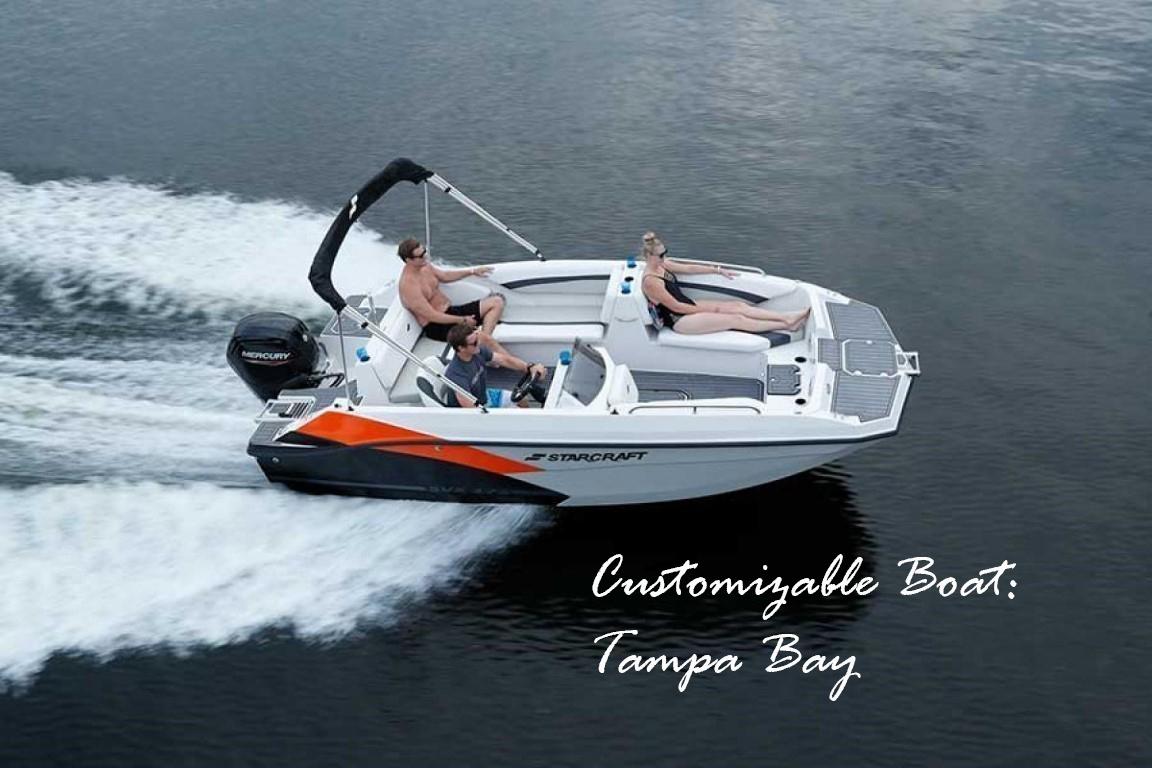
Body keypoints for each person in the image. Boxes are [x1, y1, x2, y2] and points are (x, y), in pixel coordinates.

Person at [639, 232, 810, 335]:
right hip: (678, 320)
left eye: (665, 253)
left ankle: (786, 317)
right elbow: (676, 307)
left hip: (688, 305)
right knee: (736, 319)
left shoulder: (662, 265)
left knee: (737, 306)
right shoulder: (651, 281)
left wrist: (717, 270)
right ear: (648, 256)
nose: (664, 257)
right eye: (660, 255)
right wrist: (708, 309)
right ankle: (787, 325)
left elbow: (689, 268)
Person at [396, 238, 510, 354]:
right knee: (484, 338)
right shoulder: (408, 286)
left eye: (424, 251)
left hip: (452, 311)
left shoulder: (424, 266)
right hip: (438, 326)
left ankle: (481, 346)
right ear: (409, 260)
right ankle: (489, 348)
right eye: (420, 256)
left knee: (497, 302)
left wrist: (472, 271)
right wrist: (462, 320)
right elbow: (432, 316)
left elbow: (445, 276)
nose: (425, 256)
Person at [444, 323, 547, 408]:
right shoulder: (456, 375)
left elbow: (504, 360)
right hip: (475, 409)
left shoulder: (477, 351)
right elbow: (471, 408)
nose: (478, 343)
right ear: (461, 348)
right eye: (474, 342)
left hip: (484, 396)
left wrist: (529, 367)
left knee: (522, 400)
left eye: (477, 338)